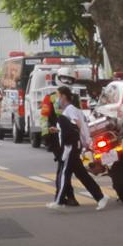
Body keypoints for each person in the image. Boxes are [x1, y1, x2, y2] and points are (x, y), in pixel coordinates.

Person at [47, 86, 109, 211]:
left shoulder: (70, 110)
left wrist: (80, 142)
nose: (56, 100)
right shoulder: (73, 110)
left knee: (64, 173)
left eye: (58, 96)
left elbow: (77, 126)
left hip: (71, 146)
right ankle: (100, 197)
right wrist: (58, 130)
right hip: (76, 145)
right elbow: (73, 127)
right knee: (81, 174)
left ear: (63, 97)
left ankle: (59, 201)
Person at [42, 69, 75, 205]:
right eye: (65, 78)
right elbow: (44, 118)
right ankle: (63, 196)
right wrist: (46, 136)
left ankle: (67, 196)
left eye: (70, 79)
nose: (67, 82)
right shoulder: (49, 97)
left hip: (70, 137)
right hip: (56, 137)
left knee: (70, 168)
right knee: (63, 167)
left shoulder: (74, 97)